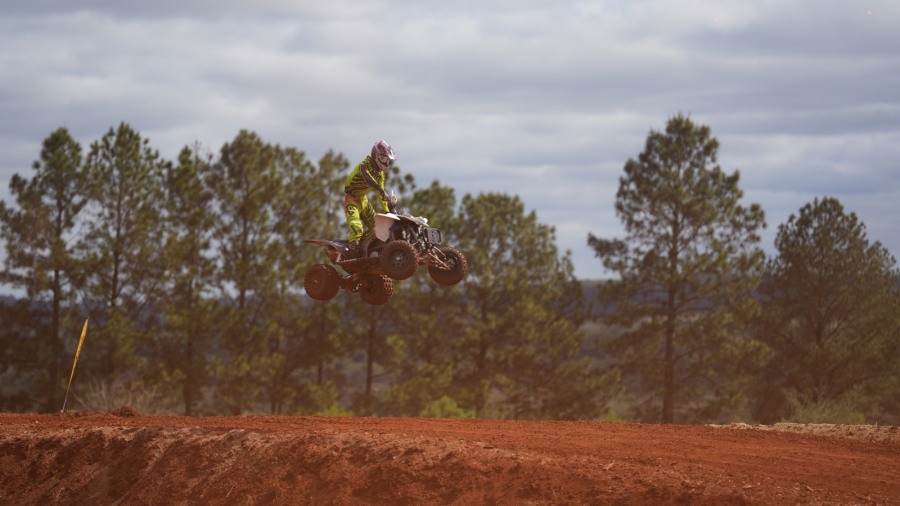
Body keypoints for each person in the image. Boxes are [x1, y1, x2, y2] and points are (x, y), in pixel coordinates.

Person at [344, 140, 397, 258]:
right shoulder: (365, 165)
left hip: (363, 200)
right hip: (351, 199)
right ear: (376, 155)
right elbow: (367, 177)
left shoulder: (381, 175)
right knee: (356, 226)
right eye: (384, 159)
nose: (386, 163)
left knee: (378, 228)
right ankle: (353, 249)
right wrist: (380, 188)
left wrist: (389, 210)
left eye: (388, 160)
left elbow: (381, 194)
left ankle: (370, 249)